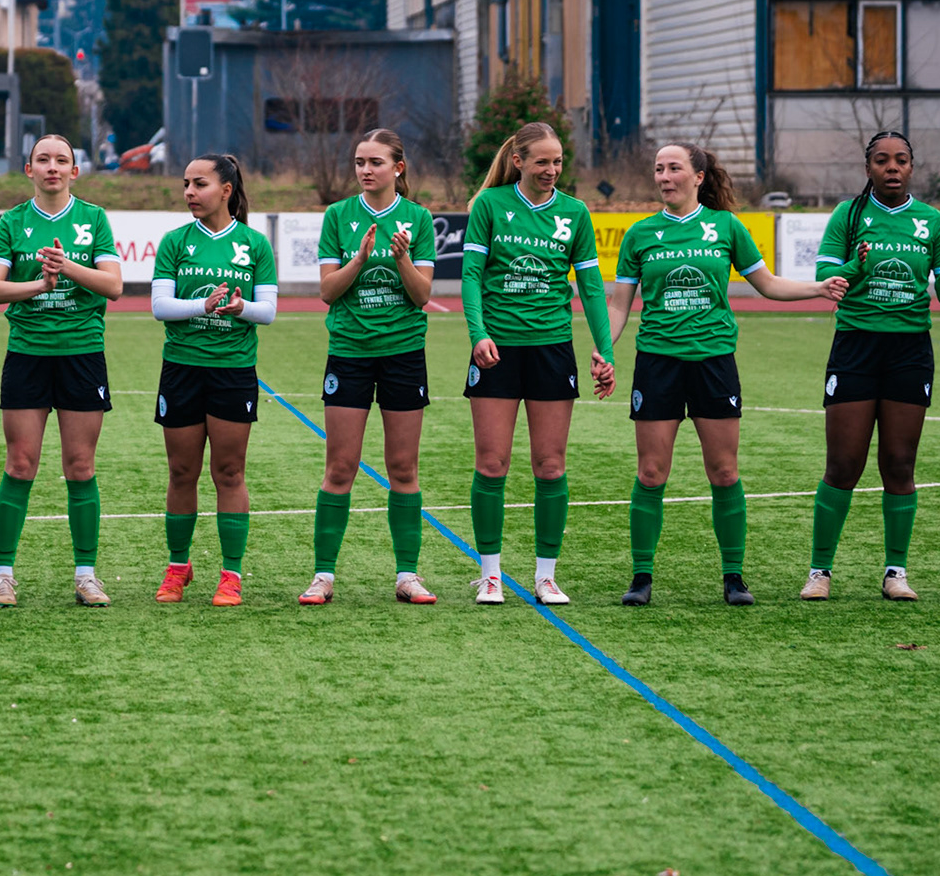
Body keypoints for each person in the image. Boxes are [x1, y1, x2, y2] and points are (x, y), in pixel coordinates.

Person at [606, 142, 847, 607]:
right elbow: (619, 305)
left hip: (715, 361)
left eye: (674, 168)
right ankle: (641, 578)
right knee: (651, 473)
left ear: (698, 176)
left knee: (724, 471)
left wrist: (817, 287)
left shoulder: (726, 227)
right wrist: (604, 348)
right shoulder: (640, 234)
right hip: (658, 362)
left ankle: (734, 577)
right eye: (658, 169)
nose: (664, 176)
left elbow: (768, 284)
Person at [459, 122, 616, 607]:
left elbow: (591, 288)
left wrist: (605, 350)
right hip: (497, 350)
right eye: (542, 161)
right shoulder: (490, 205)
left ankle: (546, 576)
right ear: (520, 161)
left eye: (558, 162)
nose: (551, 170)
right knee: (492, 463)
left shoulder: (574, 212)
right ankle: (490, 575)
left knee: (550, 466)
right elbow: (470, 275)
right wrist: (479, 333)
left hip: (552, 349)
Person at [803, 131, 940, 602]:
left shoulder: (931, 221)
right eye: (881, 161)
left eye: (901, 160)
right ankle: (820, 571)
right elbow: (826, 281)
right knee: (844, 464)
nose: (892, 168)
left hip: (910, 351)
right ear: (867, 167)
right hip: (856, 347)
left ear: (912, 167)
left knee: (899, 463)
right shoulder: (848, 216)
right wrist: (855, 265)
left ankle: (896, 573)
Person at [0, 135, 123, 607]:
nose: (53, 167)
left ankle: (86, 575)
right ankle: (2, 575)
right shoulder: (12, 221)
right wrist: (40, 284)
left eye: (62, 160)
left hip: (82, 353)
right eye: (44, 160)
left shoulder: (93, 218)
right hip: (27, 353)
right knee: (20, 463)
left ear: (75, 172)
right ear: (29, 170)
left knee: (80, 466)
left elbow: (114, 285)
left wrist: (67, 268)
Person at [299, 129, 440, 606]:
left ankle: (407, 575)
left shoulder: (418, 219)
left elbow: (422, 296)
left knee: (403, 466)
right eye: (359, 161)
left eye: (375, 162)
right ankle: (323, 576)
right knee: (340, 467)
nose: (365, 169)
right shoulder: (338, 216)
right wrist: (359, 257)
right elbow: (326, 291)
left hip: (403, 353)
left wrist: (402, 260)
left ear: (397, 168)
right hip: (350, 353)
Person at [150, 154, 277, 606]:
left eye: (198, 184)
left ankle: (231, 574)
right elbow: (160, 306)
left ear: (226, 190)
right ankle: (178, 568)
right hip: (182, 368)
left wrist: (241, 309)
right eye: (185, 184)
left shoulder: (254, 244)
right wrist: (201, 307)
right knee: (182, 472)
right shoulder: (174, 242)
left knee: (229, 472)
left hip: (233, 372)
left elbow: (269, 311)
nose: (189, 192)